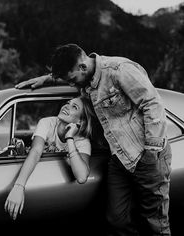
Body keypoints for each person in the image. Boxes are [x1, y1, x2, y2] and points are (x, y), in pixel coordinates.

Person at [16, 43, 172, 235]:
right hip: (120, 158)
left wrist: (151, 152)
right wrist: (47, 79)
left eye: (72, 80)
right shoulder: (86, 80)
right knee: (116, 220)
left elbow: (152, 105)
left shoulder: (118, 70)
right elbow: (72, 76)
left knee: (154, 222)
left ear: (83, 67)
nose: (72, 85)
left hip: (147, 154)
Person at [5, 95, 96, 220]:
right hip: (33, 173)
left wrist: (69, 137)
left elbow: (81, 177)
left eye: (74, 107)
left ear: (81, 122)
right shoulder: (47, 122)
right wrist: (19, 186)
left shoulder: (82, 142)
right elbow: (36, 151)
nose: (66, 106)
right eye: (68, 103)